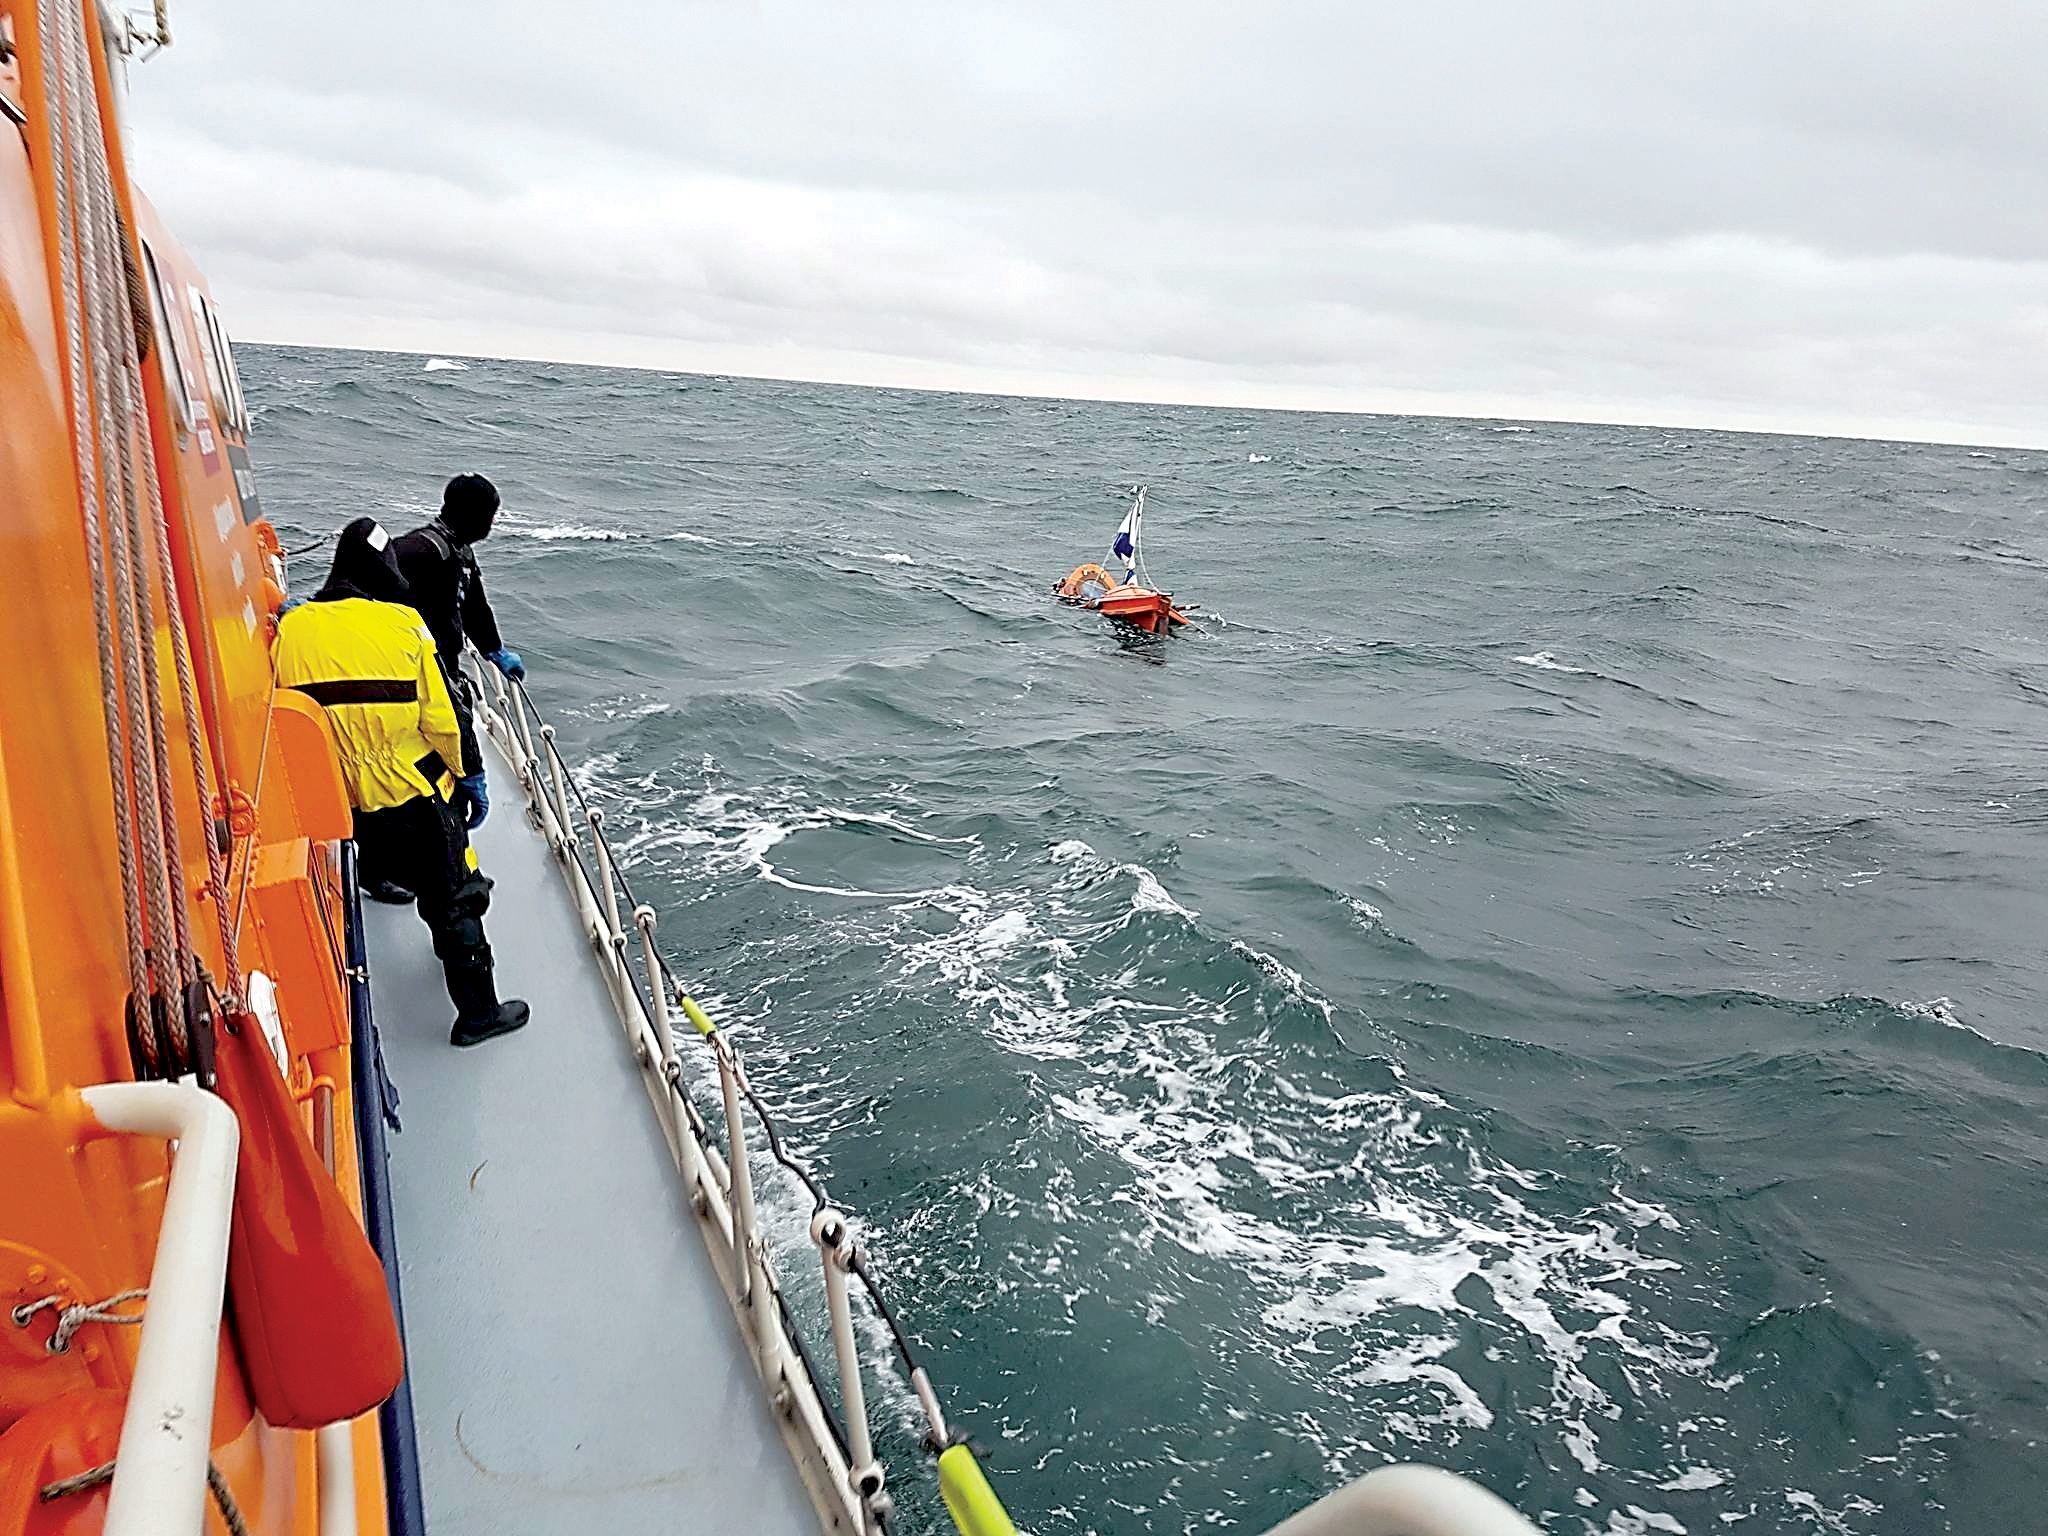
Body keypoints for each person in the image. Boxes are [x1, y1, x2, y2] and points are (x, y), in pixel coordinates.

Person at [273, 517, 530, 1047]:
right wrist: (472, 776)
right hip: (413, 797)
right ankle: (479, 1014)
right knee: (454, 897)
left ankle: (378, 880)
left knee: (377, 851)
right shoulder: (403, 627)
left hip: (341, 804)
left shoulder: (290, 631)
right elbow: (444, 720)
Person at [391, 474, 524, 855]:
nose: (492, 524)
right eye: (489, 515)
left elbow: (475, 607)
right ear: (471, 514)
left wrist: (495, 651)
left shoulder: (459, 552)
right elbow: (369, 584)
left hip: (442, 668)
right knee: (434, 763)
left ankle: (441, 850)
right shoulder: (419, 551)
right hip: (415, 677)